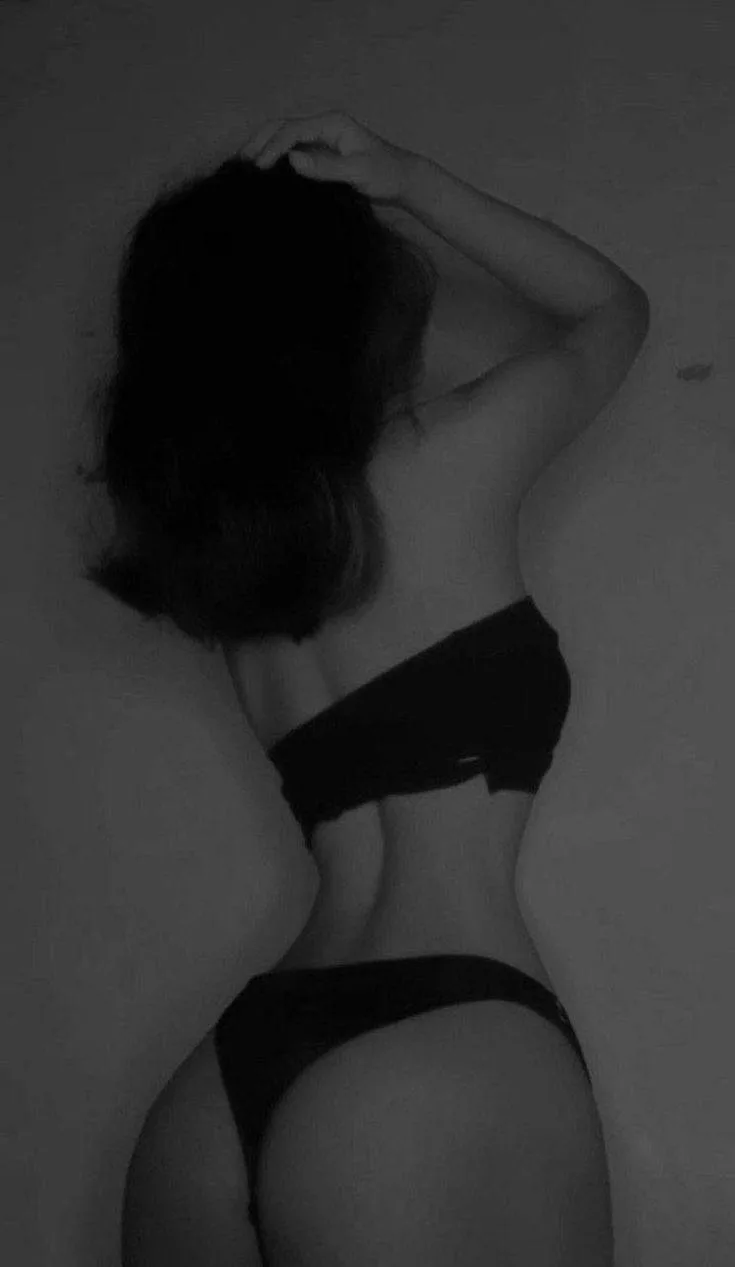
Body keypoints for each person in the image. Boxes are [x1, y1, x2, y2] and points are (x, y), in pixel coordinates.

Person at [105, 110, 650, 1265]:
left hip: (221, 1093)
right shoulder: (450, 452)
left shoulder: (239, 581)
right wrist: (409, 180)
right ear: (349, 308)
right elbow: (613, 307)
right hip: (437, 1044)